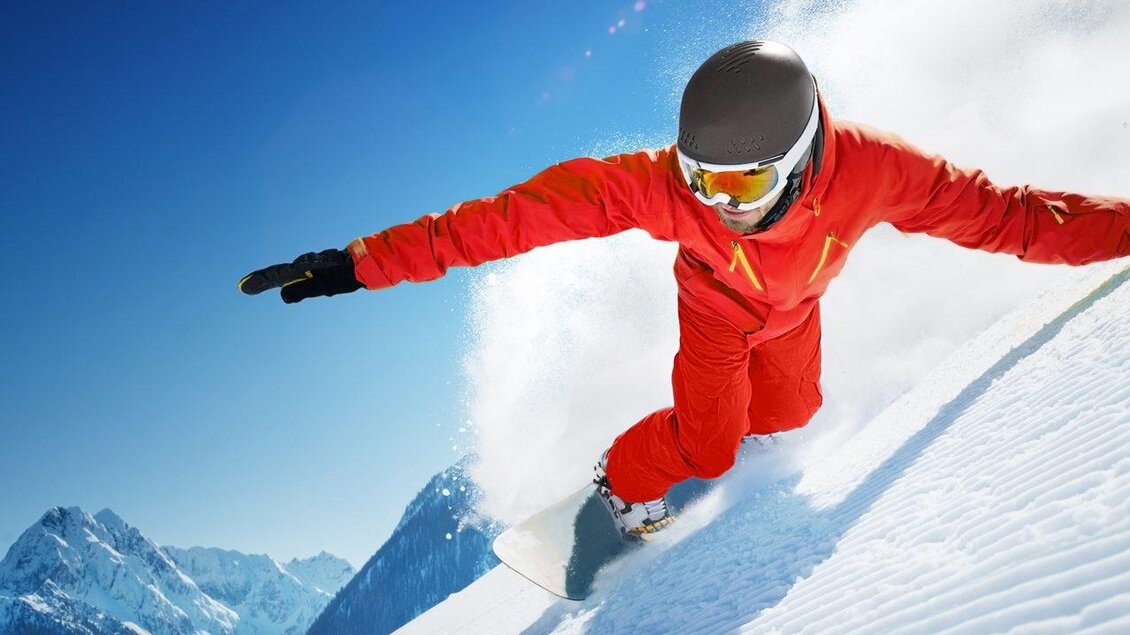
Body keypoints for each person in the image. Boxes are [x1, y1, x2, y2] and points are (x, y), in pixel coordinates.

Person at [240, 41, 1129, 540]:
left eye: (741, 185)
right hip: (714, 316)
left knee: (792, 412)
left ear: (801, 157)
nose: (717, 204)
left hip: (794, 314)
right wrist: (359, 263)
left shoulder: (879, 171)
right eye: (700, 179)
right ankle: (624, 476)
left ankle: (732, 426)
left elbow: (1016, 217)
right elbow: (510, 220)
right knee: (709, 447)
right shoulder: (664, 188)